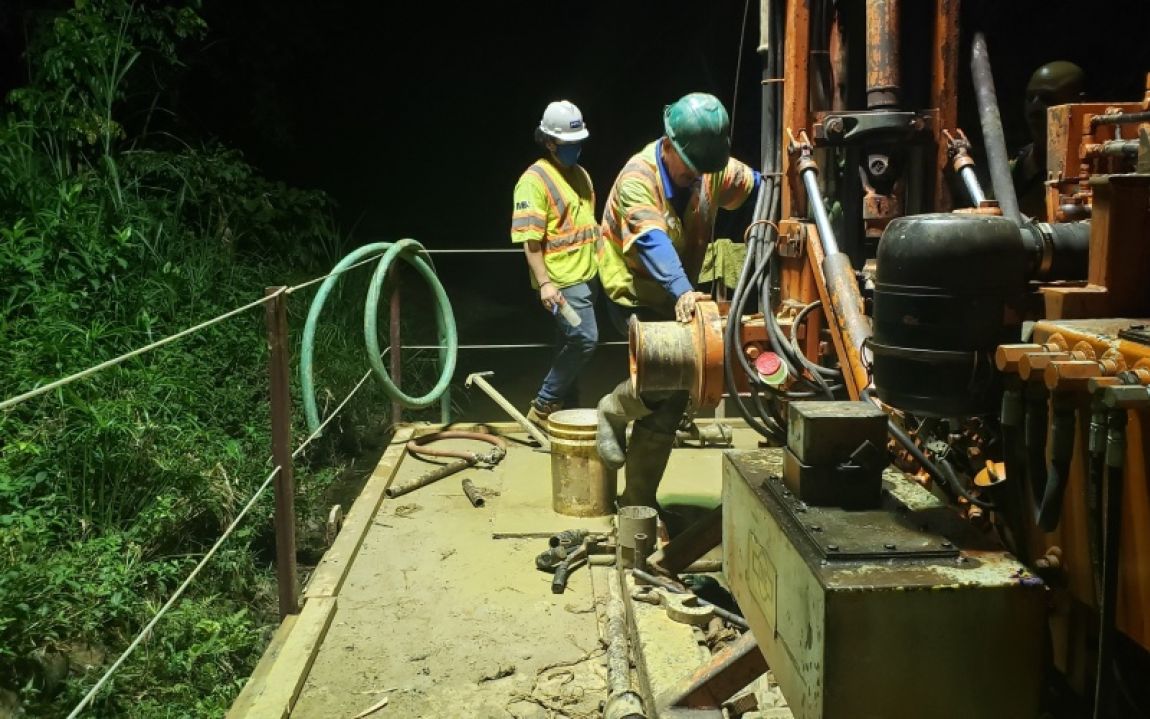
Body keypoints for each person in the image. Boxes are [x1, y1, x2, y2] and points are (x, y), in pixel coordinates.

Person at [595, 92, 759, 511]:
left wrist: (808, 195)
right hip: (632, 293)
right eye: (690, 168)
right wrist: (684, 290)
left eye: (705, 168)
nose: (698, 176)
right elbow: (652, 241)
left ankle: (638, 502)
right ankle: (613, 409)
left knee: (673, 396)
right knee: (668, 376)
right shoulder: (638, 177)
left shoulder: (708, 166)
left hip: (677, 295)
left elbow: (760, 184)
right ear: (667, 145)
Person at [511, 100, 601, 426]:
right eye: (568, 143)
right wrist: (545, 284)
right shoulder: (533, 181)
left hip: (588, 277)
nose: (575, 148)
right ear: (550, 142)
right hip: (562, 284)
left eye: (578, 142)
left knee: (568, 343)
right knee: (585, 338)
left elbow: (589, 226)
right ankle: (544, 404)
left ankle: (566, 410)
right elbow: (530, 241)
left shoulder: (581, 175)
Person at [1011, 61, 1085, 220]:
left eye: (1047, 99)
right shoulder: (1015, 170)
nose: (1034, 108)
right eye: (1030, 98)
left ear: (1079, 104)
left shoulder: (1093, 171)